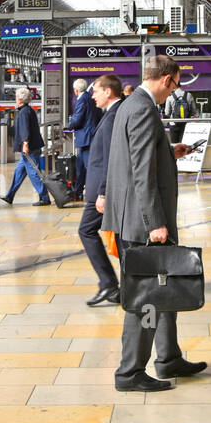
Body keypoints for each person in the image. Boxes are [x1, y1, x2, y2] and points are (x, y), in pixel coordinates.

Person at [103, 55, 208, 392]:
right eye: (175, 85)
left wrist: (168, 150)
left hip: (132, 216)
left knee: (165, 289)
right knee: (145, 298)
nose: (174, 91)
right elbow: (140, 172)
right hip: (142, 222)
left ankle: (168, 358)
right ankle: (130, 372)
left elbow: (134, 156)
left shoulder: (129, 105)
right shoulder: (145, 109)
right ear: (166, 80)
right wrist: (154, 223)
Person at [80, 74, 123, 305]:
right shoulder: (112, 114)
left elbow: (110, 159)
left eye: (95, 91)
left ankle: (109, 284)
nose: (92, 96)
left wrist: (103, 192)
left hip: (102, 191)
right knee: (121, 236)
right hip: (102, 189)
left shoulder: (113, 117)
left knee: (86, 230)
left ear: (108, 92)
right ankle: (122, 284)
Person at [0, 87, 50, 205]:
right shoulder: (28, 110)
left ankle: (44, 197)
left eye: (16, 97)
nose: (15, 99)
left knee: (33, 172)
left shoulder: (23, 112)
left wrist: (25, 144)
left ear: (20, 99)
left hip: (29, 148)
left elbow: (25, 129)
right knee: (19, 172)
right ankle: (10, 195)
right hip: (30, 148)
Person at [65, 78, 101, 200]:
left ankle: (95, 193)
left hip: (86, 138)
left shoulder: (82, 99)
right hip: (88, 137)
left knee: (88, 167)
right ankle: (78, 191)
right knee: (80, 166)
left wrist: (68, 126)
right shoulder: (90, 97)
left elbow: (78, 119)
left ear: (76, 90)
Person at [164, 81, 197, 145]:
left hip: (174, 124)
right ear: (180, 86)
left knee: (175, 146)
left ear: (173, 86)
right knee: (185, 145)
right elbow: (194, 111)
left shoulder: (170, 97)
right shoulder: (189, 95)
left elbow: (167, 113)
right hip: (186, 124)